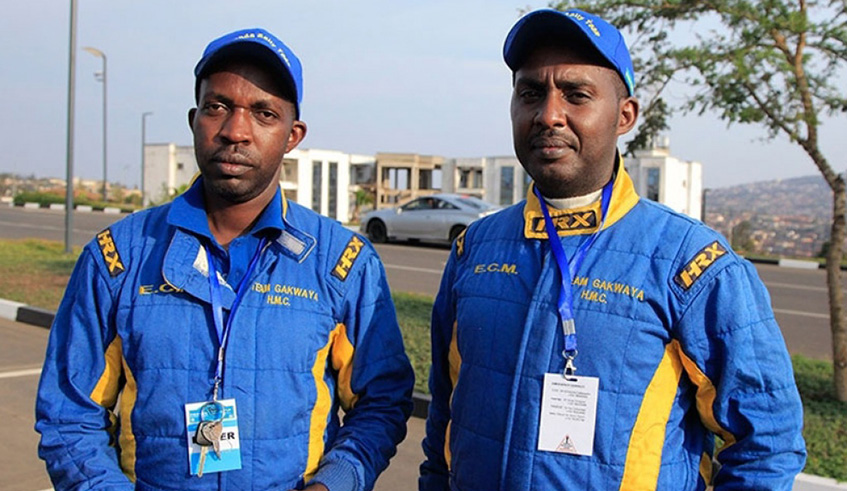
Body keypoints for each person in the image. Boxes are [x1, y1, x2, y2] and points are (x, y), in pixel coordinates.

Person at [420, 9, 806, 491]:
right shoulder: (474, 249)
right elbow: (444, 413)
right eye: (530, 93)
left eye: (577, 95)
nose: (548, 115)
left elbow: (765, 443)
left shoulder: (691, 264)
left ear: (625, 115)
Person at [36, 28, 414, 491]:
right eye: (218, 107)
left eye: (264, 113)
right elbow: (69, 416)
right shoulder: (118, 258)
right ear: (194, 119)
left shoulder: (342, 263)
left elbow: (381, 401)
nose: (235, 130)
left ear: (292, 135)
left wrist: (334, 482)